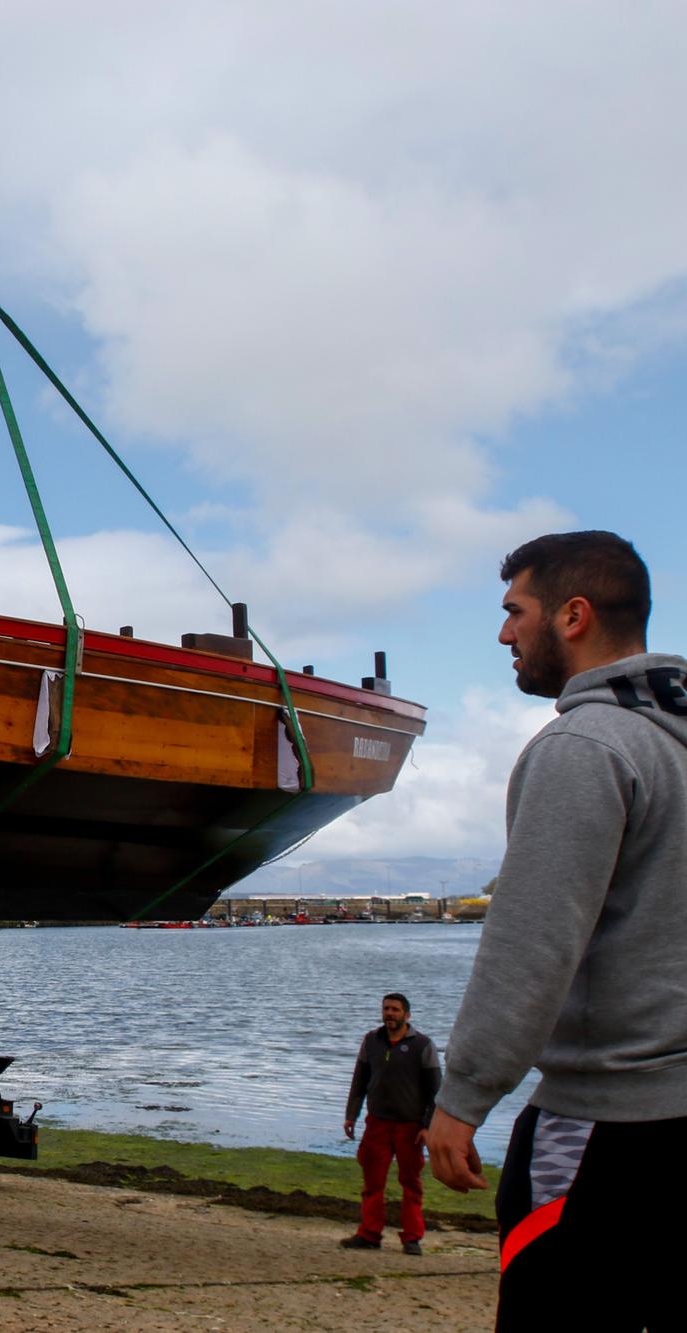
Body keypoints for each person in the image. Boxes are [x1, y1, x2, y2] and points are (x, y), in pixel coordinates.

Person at [426, 531, 687, 1329]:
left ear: (572, 616)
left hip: (606, 1126)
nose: (504, 633)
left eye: (515, 611)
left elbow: (532, 944)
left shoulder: (584, 746)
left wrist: (464, 1096)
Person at [340, 992, 441, 1255]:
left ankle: (412, 1238)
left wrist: (428, 1125)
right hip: (377, 1124)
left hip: (411, 1126)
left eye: (395, 1010)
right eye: (386, 1009)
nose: (389, 1014)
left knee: (411, 1182)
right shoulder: (371, 1041)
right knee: (372, 1181)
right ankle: (369, 1233)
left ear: (407, 1015)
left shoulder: (423, 1045)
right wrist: (351, 1115)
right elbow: (359, 1081)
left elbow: (436, 1092)